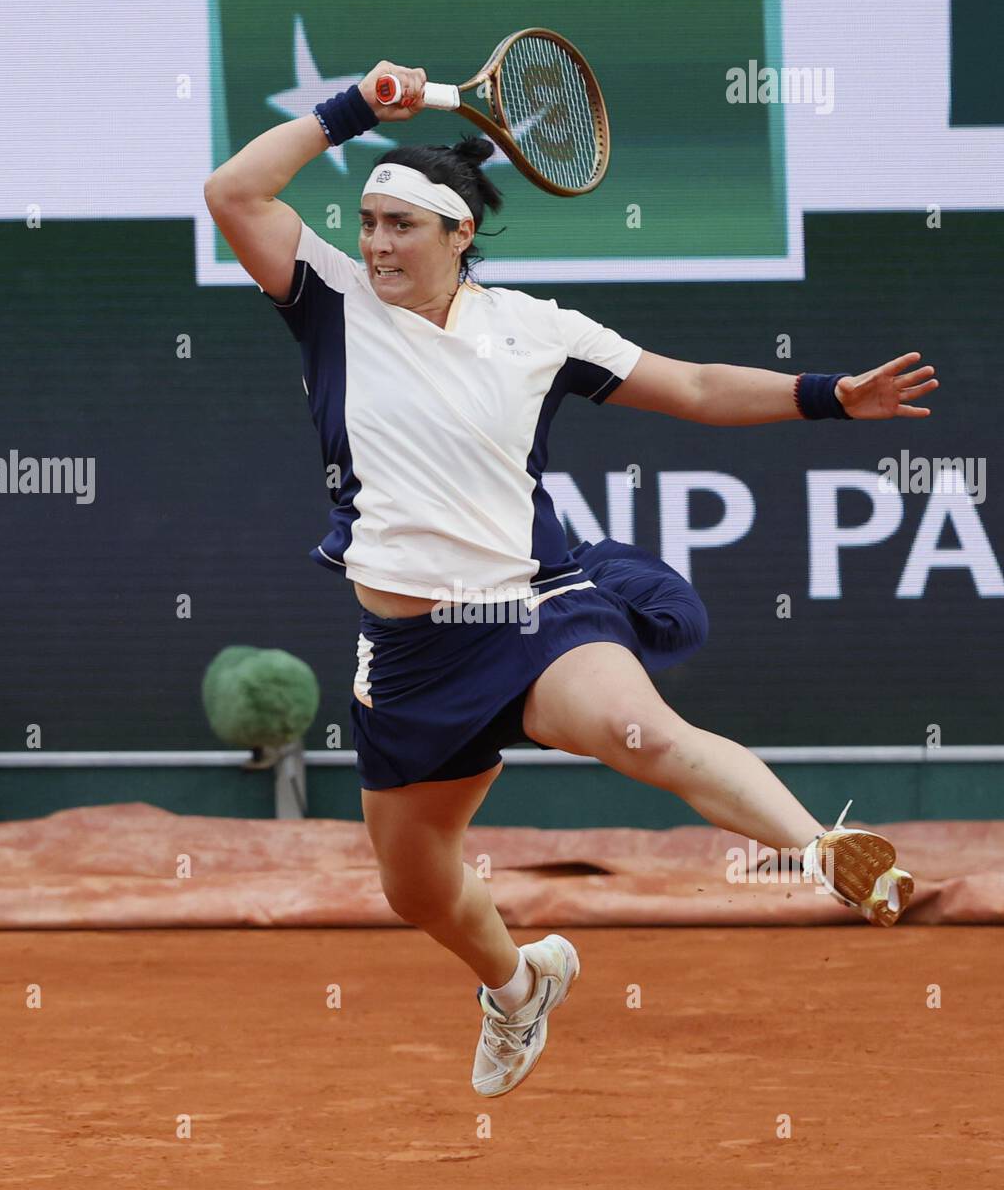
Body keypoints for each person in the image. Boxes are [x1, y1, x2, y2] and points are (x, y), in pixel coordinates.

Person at [205, 61, 938, 1098]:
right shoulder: (328, 299)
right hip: (412, 654)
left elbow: (690, 387)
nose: (375, 244)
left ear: (460, 235)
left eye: (401, 226)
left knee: (639, 734)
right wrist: (356, 109)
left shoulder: (536, 332)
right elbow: (233, 193)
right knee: (414, 887)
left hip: (534, 603)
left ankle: (821, 847)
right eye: (367, 222)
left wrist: (828, 397)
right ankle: (518, 986)